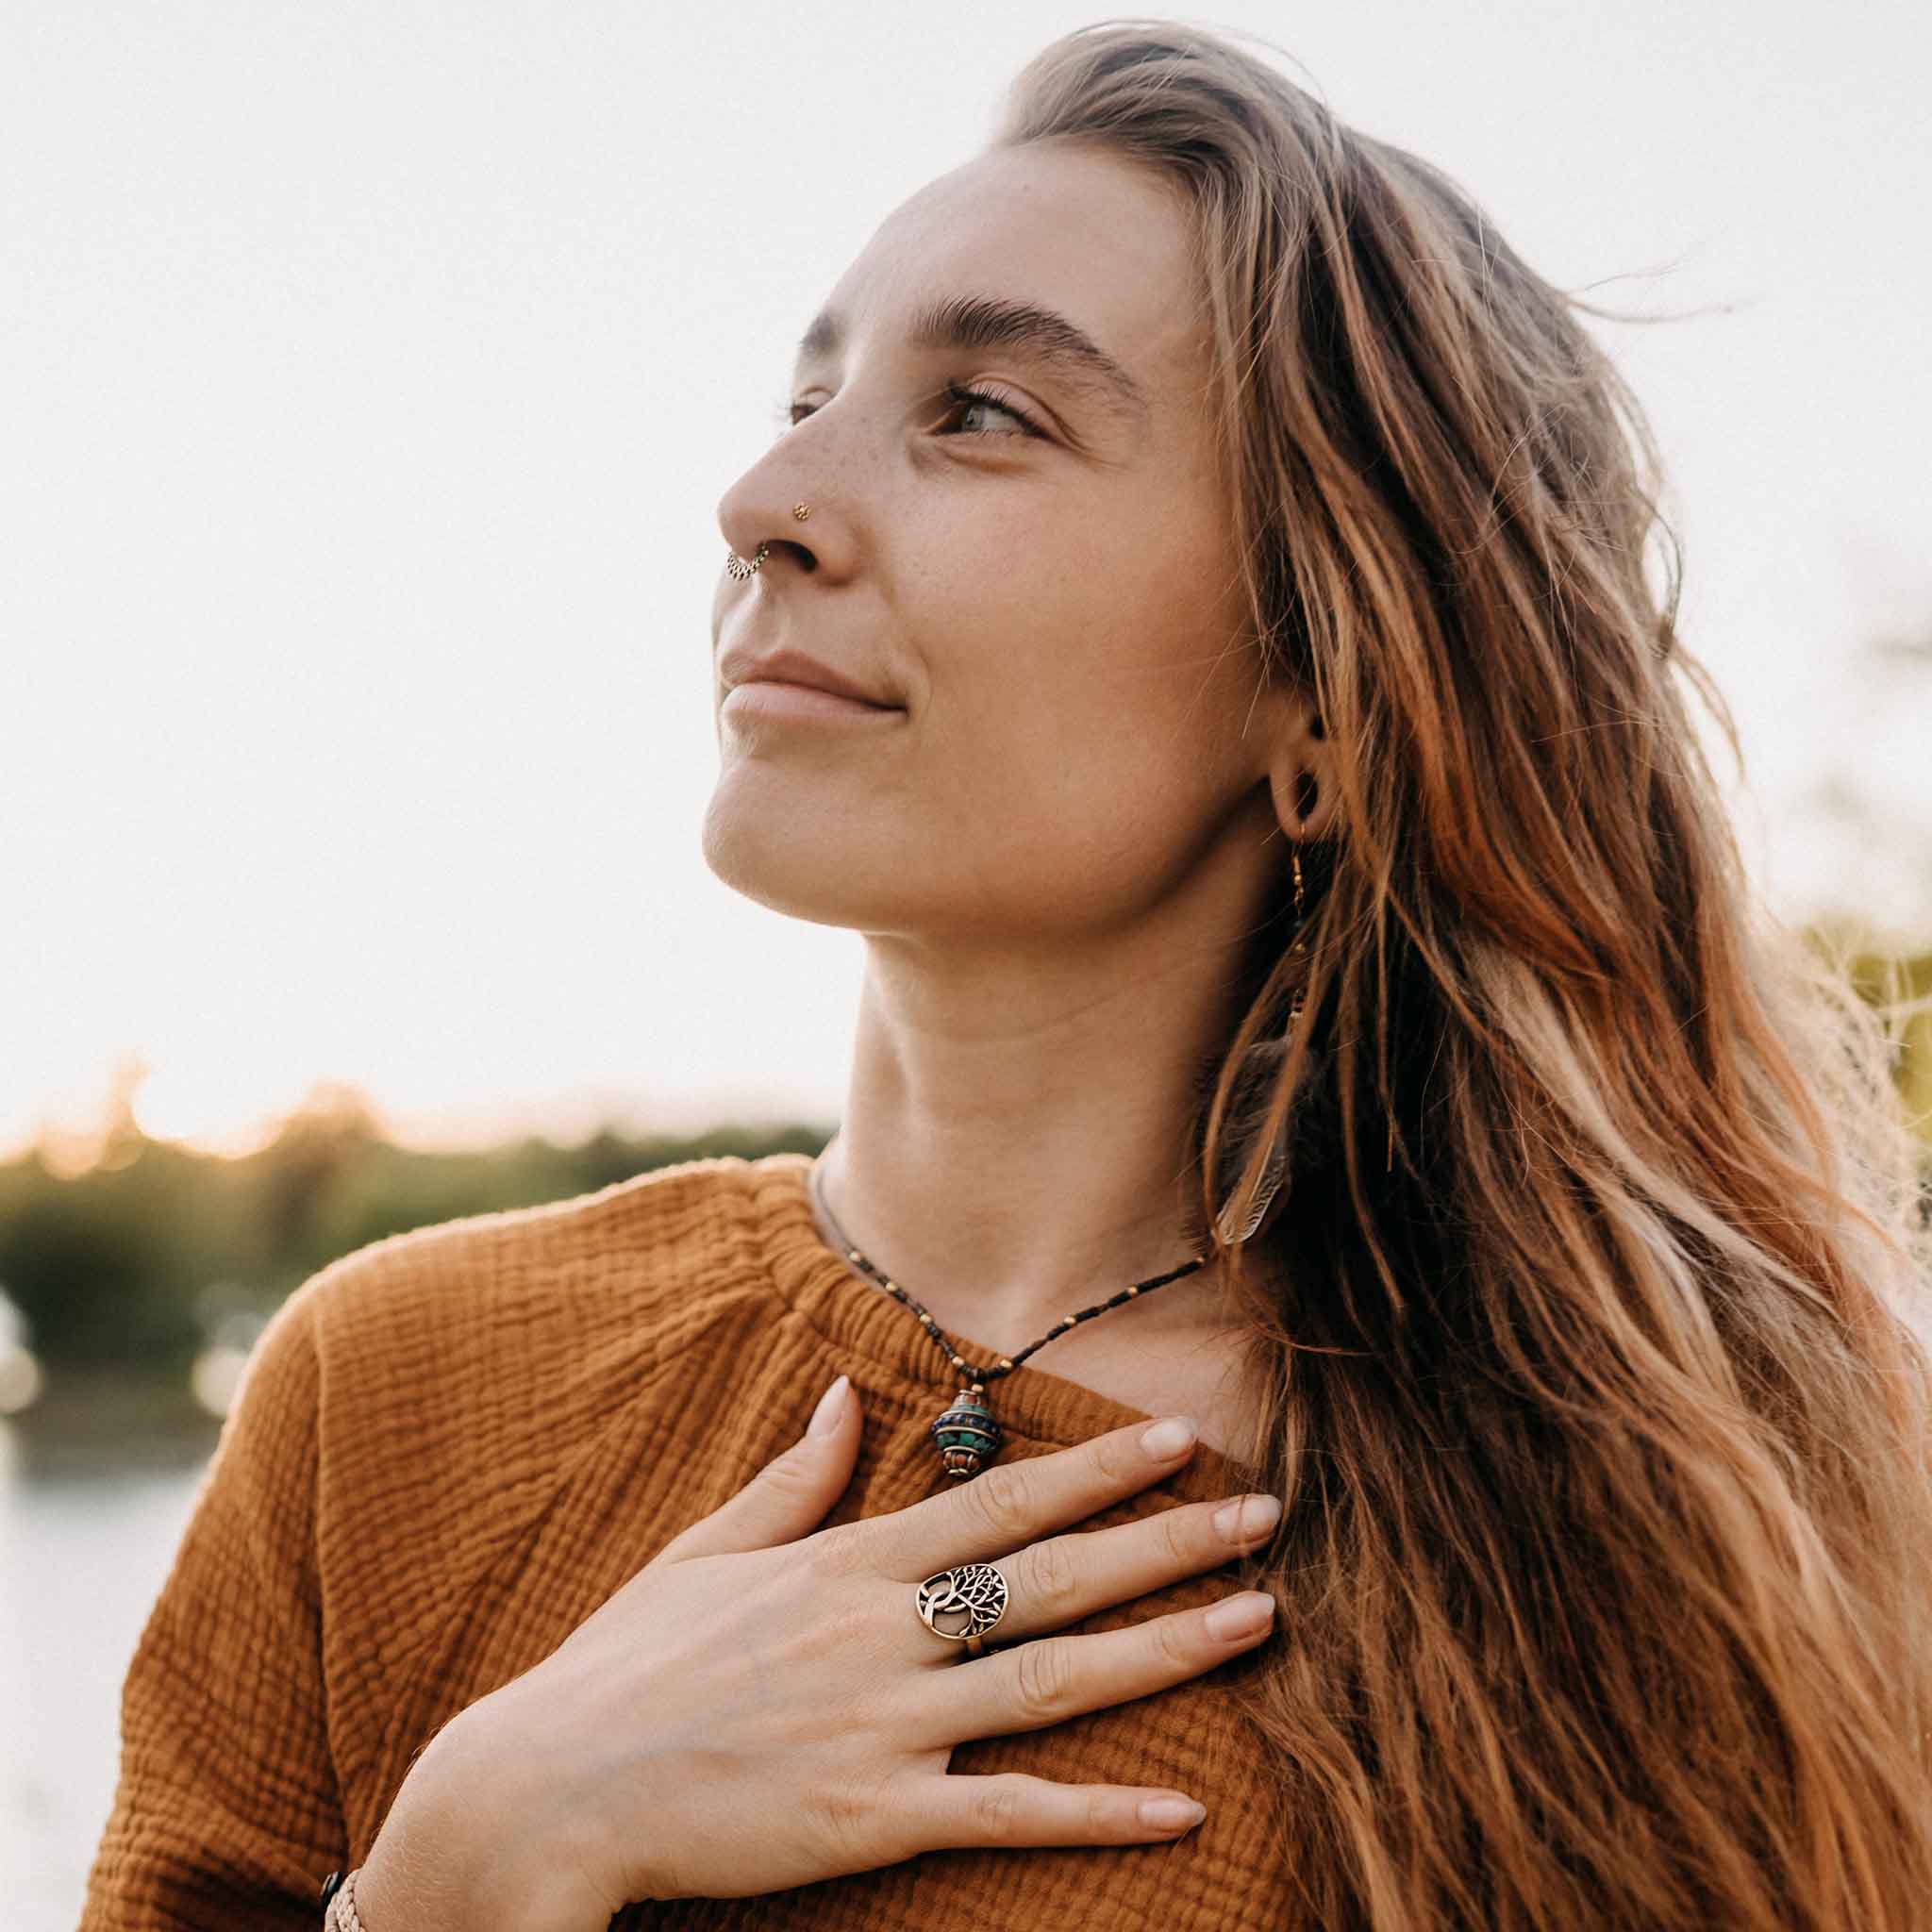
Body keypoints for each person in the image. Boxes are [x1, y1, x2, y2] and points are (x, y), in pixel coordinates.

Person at [80, 19, 1932, 1931]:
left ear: (1322, 687)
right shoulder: (390, 1396)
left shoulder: (1676, 1531)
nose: (764, 497)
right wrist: (466, 1866)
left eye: (981, 412)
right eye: (805, 390)